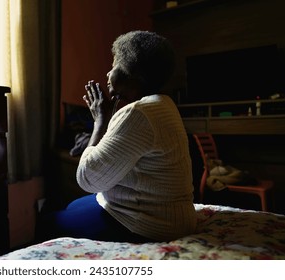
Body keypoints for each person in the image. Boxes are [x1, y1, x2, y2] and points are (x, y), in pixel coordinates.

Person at [37, 30, 196, 243]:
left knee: (48, 222)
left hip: (151, 223)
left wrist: (99, 121)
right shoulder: (162, 104)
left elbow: (88, 179)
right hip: (173, 215)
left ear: (131, 73)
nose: (108, 73)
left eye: (114, 65)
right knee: (74, 205)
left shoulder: (137, 113)